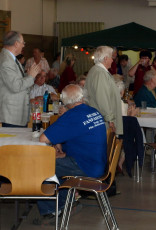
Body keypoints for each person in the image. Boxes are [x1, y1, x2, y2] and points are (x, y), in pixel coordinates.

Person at [37, 84, 107, 221]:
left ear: (65, 102)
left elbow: (43, 138)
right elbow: (79, 137)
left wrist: (63, 118)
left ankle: (52, 209)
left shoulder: (72, 115)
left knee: (44, 165)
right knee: (57, 161)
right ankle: (65, 202)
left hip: (86, 166)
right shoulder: (93, 111)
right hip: (97, 163)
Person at [0, 31, 41, 127]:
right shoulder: (6, 61)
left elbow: (16, 80)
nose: (23, 45)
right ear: (16, 44)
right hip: (12, 115)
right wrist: (31, 76)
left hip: (16, 114)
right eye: (23, 43)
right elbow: (15, 86)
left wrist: (29, 74)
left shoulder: (11, 59)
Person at [84, 46, 123, 135]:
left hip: (100, 119)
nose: (112, 60)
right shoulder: (100, 73)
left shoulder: (98, 71)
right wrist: (110, 119)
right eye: (111, 57)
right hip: (103, 121)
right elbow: (102, 98)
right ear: (105, 58)